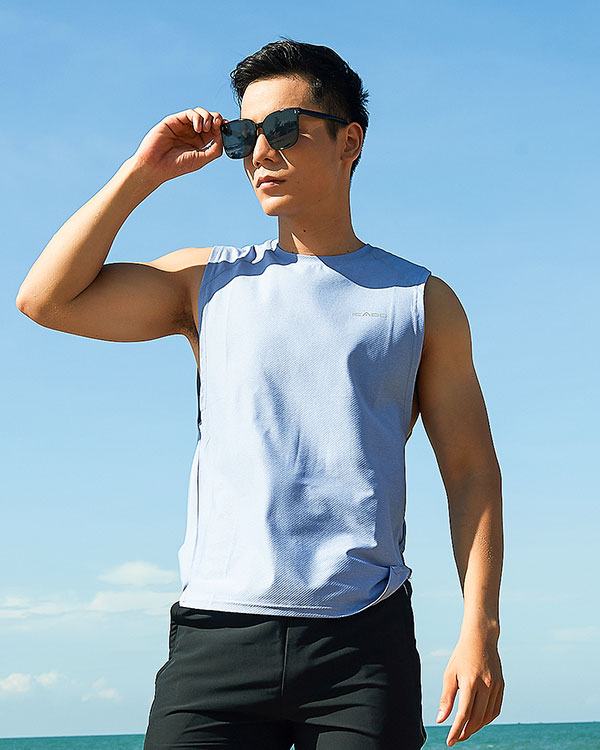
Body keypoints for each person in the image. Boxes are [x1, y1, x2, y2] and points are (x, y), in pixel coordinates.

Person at [16, 37, 504, 750]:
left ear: (349, 141)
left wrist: (479, 629)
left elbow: (470, 473)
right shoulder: (207, 281)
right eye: (245, 135)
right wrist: (142, 173)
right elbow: (46, 300)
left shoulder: (421, 301)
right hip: (215, 640)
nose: (259, 153)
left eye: (283, 128)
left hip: (361, 647)